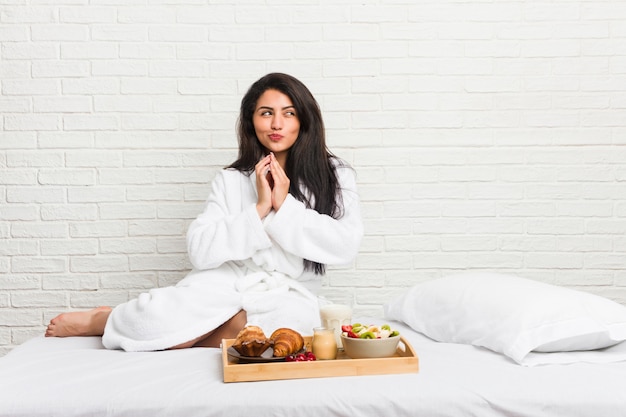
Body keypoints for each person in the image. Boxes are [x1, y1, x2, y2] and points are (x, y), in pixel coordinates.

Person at [45, 73, 363, 351]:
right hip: (227, 282)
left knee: (290, 327)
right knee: (155, 321)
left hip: (290, 293)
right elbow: (200, 250)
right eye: (266, 113)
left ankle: (186, 337)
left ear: (304, 120)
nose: (276, 124)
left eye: (288, 113)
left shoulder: (334, 174)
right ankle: (104, 318)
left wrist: (284, 208)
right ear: (252, 120)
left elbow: (345, 245)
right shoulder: (231, 178)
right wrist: (259, 209)